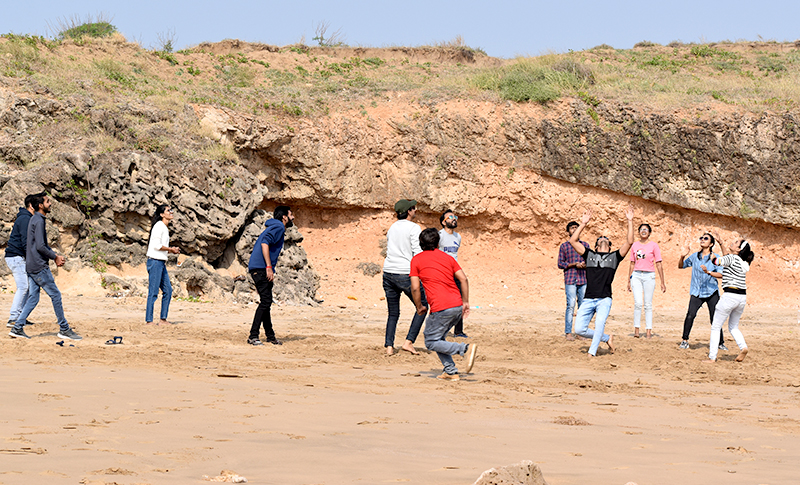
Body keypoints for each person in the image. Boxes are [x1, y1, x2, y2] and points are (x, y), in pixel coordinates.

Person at [9, 193, 81, 340]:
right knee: (56, 295)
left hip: (31, 264)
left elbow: (36, 244)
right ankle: (64, 328)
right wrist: (55, 257)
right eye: (48, 202)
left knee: (33, 297)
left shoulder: (34, 219)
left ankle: (17, 327)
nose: (50, 204)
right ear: (40, 205)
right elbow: (41, 246)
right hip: (38, 266)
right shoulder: (38, 220)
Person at [410, 228, 477, 381]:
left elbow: (415, 287)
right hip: (456, 304)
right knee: (439, 338)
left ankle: (464, 349)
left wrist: (419, 306)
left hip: (441, 307)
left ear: (420, 243)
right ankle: (450, 371)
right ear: (438, 243)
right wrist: (465, 302)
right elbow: (464, 279)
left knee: (431, 341)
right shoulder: (447, 258)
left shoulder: (417, 260)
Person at [568, 205, 635, 356]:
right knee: (579, 329)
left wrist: (630, 221)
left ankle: (592, 353)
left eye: (606, 239)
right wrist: (583, 223)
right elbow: (573, 240)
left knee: (599, 324)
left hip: (604, 298)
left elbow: (629, 242)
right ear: (596, 247)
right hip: (588, 299)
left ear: (610, 246)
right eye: (599, 239)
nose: (603, 239)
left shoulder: (614, 257)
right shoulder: (590, 255)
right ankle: (606, 338)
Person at [382, 199, 427, 355]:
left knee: (393, 312)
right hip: (405, 272)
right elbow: (418, 252)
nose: (415, 211)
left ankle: (389, 346)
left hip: (388, 272)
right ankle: (409, 341)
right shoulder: (414, 228)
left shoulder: (392, 228)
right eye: (413, 208)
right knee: (422, 306)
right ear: (409, 211)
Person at [247, 206, 294, 346]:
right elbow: (264, 243)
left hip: (257, 268)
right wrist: (268, 267)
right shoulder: (279, 226)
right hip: (261, 268)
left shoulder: (275, 226)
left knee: (266, 301)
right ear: (284, 217)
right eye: (291, 214)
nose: (293, 217)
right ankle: (253, 336)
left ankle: (270, 336)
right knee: (266, 302)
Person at [705, 237, 754, 363]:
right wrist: (721, 242)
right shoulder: (743, 263)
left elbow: (716, 261)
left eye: (737, 242)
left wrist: (711, 255)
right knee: (733, 327)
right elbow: (727, 257)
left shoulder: (732, 258)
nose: (733, 241)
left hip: (730, 295)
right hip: (742, 297)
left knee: (716, 327)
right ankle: (743, 347)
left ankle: (712, 357)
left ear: (738, 249)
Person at [678, 233, 725, 350]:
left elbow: (721, 274)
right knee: (690, 315)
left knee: (714, 318)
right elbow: (681, 266)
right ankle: (684, 340)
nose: (702, 240)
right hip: (697, 292)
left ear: (711, 244)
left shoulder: (715, 258)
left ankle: (720, 343)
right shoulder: (695, 256)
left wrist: (708, 272)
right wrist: (682, 257)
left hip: (711, 292)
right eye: (701, 238)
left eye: (706, 238)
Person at [627, 223, 666, 338]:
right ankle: (637, 330)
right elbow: (632, 263)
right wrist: (629, 280)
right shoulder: (634, 245)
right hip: (637, 275)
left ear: (649, 232)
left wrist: (662, 282)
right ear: (639, 232)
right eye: (641, 229)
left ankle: (648, 330)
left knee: (648, 304)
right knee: (638, 303)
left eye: (646, 229)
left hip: (649, 276)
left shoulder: (654, 246)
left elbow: (658, 263)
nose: (643, 231)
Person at [5, 193, 38, 328]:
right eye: (37, 203)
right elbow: (26, 242)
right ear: (31, 206)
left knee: (28, 288)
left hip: (17, 257)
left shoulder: (27, 217)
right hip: (16, 257)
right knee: (23, 287)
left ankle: (20, 317)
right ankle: (14, 317)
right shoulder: (25, 219)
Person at [146, 204, 181, 325]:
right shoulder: (159, 226)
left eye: (171, 210)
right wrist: (171, 249)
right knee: (153, 292)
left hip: (161, 262)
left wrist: (171, 250)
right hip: (155, 261)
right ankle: (149, 320)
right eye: (168, 210)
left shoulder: (164, 228)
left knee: (168, 290)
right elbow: (156, 246)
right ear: (162, 214)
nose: (171, 212)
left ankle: (163, 319)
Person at [438, 209, 467, 338]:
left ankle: (459, 331)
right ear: (443, 222)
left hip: (454, 272)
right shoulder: (439, 235)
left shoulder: (458, 237)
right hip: (442, 273)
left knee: (459, 300)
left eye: (455, 216)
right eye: (450, 217)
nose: (454, 218)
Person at [558, 221, 589, 341]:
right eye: (572, 228)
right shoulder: (564, 246)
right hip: (570, 278)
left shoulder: (585, 245)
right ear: (568, 231)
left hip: (583, 279)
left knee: (582, 307)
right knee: (570, 305)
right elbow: (560, 264)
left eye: (577, 228)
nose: (575, 229)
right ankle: (568, 332)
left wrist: (584, 264)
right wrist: (574, 264)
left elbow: (591, 261)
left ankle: (580, 332)